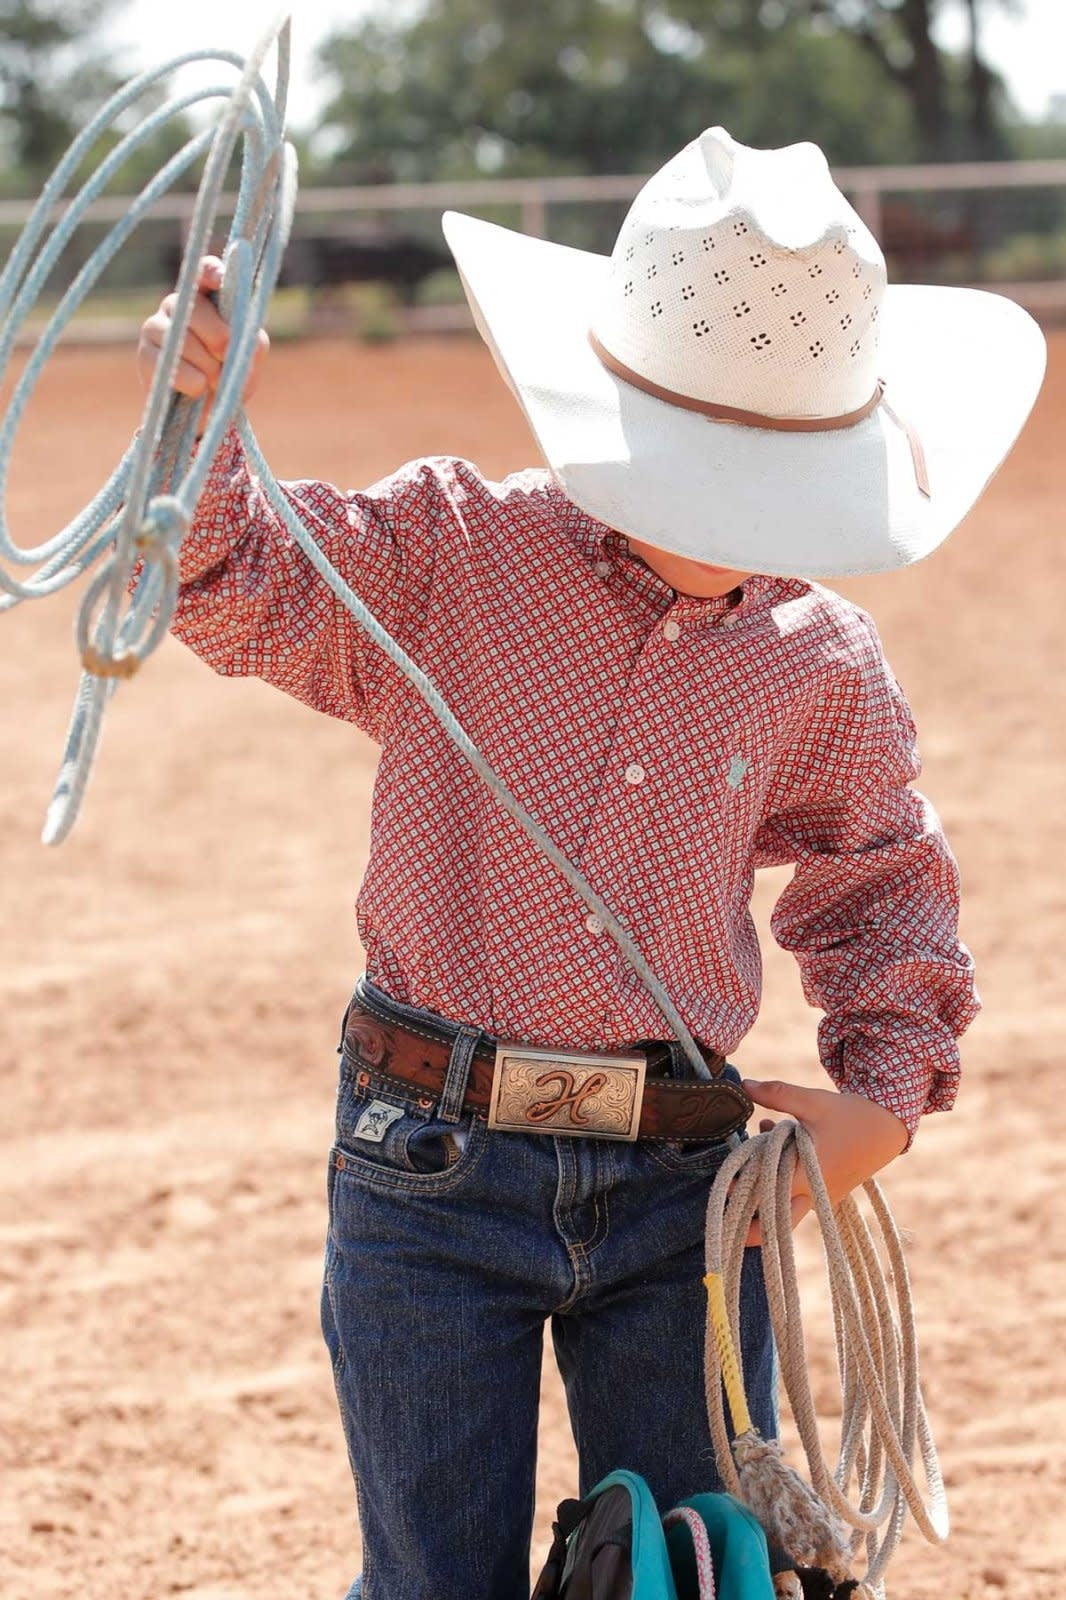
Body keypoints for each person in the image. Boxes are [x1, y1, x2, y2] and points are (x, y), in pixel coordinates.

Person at [136, 129, 1044, 1600]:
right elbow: (245, 586)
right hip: (430, 1159)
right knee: (438, 1580)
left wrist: (883, 1093)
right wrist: (199, 433)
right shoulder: (454, 549)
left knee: (699, 1571)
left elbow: (879, 883)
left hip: (683, 1181)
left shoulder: (821, 664)